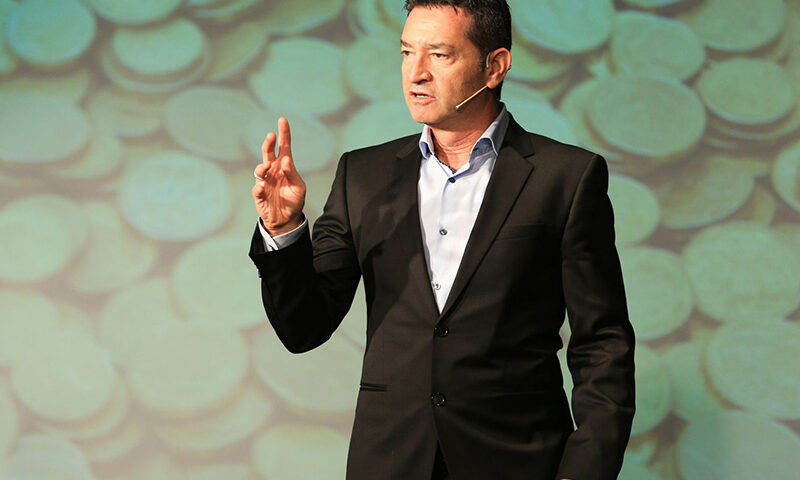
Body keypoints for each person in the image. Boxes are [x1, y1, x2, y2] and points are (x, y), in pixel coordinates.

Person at [249, 1, 635, 479]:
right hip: (391, 461)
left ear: (494, 67)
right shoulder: (362, 176)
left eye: (439, 55)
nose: (416, 73)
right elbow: (304, 328)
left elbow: (603, 344)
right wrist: (284, 229)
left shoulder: (566, 177)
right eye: (407, 53)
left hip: (517, 460)